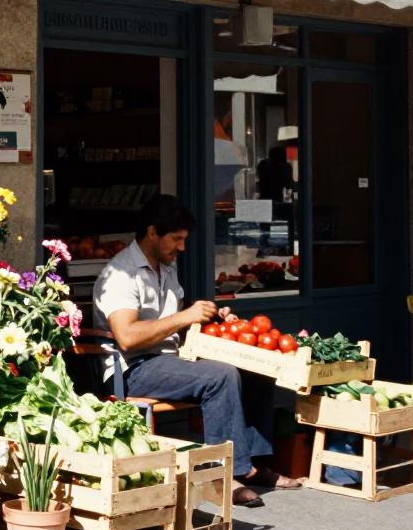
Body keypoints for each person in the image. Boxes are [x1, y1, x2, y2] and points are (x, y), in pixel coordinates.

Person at [91, 194, 301, 506]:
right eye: (176, 239)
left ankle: (252, 466)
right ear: (152, 233)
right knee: (220, 376)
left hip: (168, 361)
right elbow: (127, 337)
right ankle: (222, 475)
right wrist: (184, 316)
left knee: (256, 370)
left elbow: (171, 322)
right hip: (132, 369)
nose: (182, 247)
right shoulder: (121, 273)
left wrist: (208, 318)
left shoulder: (164, 267)